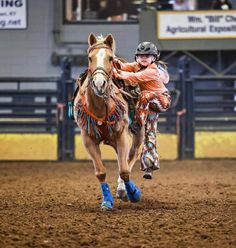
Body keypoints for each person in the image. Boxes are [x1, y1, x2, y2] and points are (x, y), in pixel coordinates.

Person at [113, 42, 171, 179]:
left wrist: (117, 73)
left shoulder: (152, 70)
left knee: (144, 95)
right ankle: (149, 166)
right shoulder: (135, 66)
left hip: (162, 100)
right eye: (140, 56)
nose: (143, 58)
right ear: (136, 57)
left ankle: (137, 122)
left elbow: (133, 77)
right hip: (147, 105)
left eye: (147, 55)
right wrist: (112, 60)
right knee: (149, 133)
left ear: (154, 58)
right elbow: (123, 66)